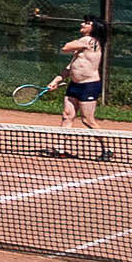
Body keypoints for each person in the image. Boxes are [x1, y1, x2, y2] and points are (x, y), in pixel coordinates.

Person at [53, 17, 110, 157]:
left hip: (89, 86)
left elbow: (65, 47)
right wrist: (56, 80)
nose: (82, 24)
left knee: (88, 120)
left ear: (94, 27)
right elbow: (70, 66)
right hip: (74, 85)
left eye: (87, 23)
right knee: (67, 116)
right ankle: (60, 149)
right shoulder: (81, 46)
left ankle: (107, 149)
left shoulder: (89, 41)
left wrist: (75, 42)